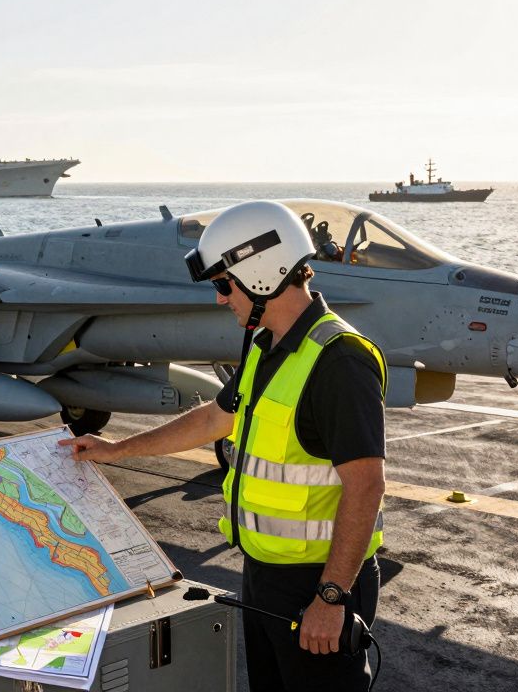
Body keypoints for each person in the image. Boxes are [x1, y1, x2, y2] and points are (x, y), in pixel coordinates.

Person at [59, 200, 387, 691]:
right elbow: (216, 418)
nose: (219, 299)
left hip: (319, 581)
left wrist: (332, 597)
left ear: (261, 273)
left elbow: (366, 486)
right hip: (266, 574)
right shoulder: (269, 347)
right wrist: (117, 449)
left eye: (223, 284)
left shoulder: (339, 361)